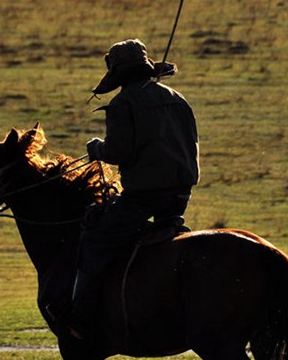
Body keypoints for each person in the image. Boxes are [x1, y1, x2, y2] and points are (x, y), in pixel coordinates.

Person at [68, 38, 200, 340]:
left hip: (144, 197)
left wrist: (96, 149)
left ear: (119, 76)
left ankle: (82, 318)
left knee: (95, 242)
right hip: (180, 196)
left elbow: (117, 152)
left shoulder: (123, 103)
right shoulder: (177, 99)